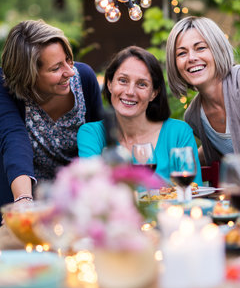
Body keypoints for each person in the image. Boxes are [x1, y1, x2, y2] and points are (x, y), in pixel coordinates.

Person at [0, 19, 103, 207]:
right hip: (28, 201)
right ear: (28, 75)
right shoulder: (5, 87)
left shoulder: (85, 78)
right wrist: (23, 201)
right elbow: (14, 139)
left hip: (79, 201)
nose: (69, 72)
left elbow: (101, 140)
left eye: (68, 60)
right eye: (56, 68)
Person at [77, 45, 202, 184]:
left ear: (154, 93)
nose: (130, 91)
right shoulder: (91, 134)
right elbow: (93, 188)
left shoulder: (179, 133)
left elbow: (193, 194)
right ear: (109, 84)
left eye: (142, 84)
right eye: (123, 81)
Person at [166, 15, 240, 166]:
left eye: (200, 48)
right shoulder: (194, 116)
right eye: (181, 53)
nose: (191, 58)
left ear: (217, 49)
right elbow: (220, 149)